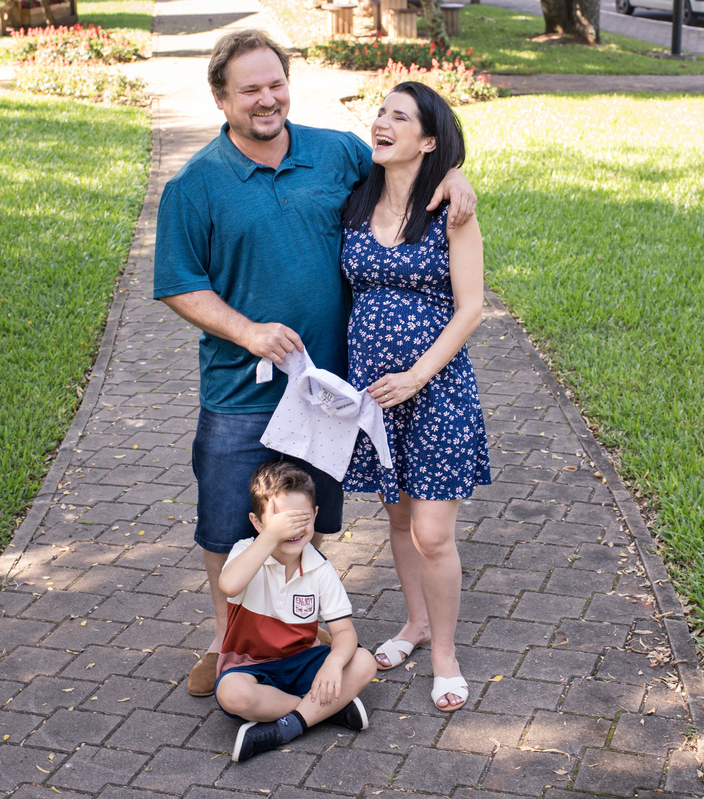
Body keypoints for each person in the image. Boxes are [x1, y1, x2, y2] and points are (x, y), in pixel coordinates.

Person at [152, 29, 477, 698]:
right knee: (226, 524)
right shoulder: (195, 185)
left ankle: (295, 635)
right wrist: (247, 331)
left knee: (308, 521)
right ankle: (227, 640)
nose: (267, 99)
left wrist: (453, 174)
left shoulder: (336, 153)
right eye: (249, 89)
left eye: (276, 84)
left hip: (330, 389)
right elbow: (180, 284)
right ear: (221, 99)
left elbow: (404, 168)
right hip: (240, 391)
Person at [339, 82, 491, 712]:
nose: (382, 122)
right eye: (380, 112)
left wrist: (417, 375)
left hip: (436, 389)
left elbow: (471, 308)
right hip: (376, 396)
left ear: (428, 141)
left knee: (432, 532)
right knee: (398, 518)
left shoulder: (450, 210)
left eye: (399, 117)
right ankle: (415, 623)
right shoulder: (355, 197)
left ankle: (445, 655)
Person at [215, 462, 377, 762]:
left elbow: (344, 631)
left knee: (364, 661)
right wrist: (270, 537)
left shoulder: (319, 567)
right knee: (232, 694)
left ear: (314, 516)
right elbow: (229, 584)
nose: (292, 530)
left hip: (302, 661)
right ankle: (325, 711)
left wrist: (333, 665)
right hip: (250, 666)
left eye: (300, 519)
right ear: (257, 523)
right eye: (281, 522)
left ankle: (288, 726)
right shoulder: (246, 552)